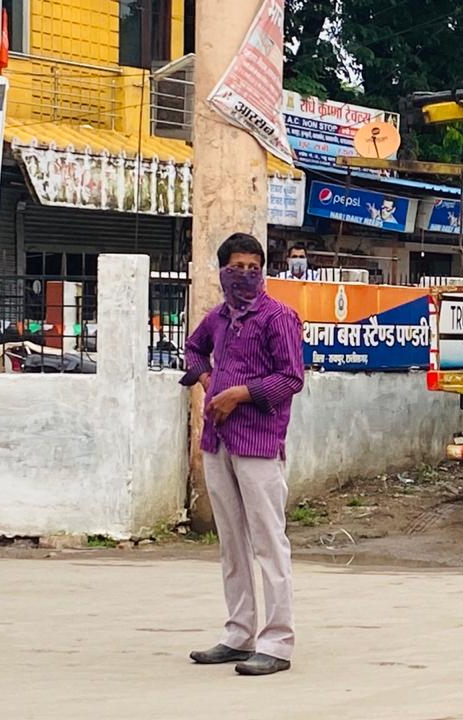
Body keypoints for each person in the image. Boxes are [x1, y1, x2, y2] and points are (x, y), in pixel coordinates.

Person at [182, 233, 304, 677]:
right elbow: (192, 349)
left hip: (259, 442)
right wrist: (206, 380)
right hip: (217, 441)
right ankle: (238, 633)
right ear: (222, 271)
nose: (246, 275)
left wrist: (240, 394)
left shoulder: (279, 318)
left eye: (255, 267)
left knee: (269, 542)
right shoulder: (217, 318)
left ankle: (277, 642)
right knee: (232, 543)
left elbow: (291, 378)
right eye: (238, 267)